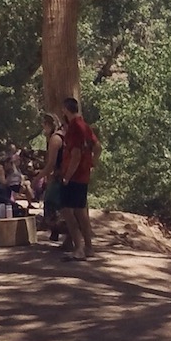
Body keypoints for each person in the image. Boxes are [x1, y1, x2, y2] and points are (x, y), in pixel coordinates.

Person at [56, 96, 99, 260]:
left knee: (68, 212)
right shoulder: (85, 126)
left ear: (66, 109)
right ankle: (89, 247)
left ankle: (79, 248)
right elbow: (98, 147)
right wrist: (91, 164)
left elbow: (75, 154)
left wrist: (67, 177)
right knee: (81, 213)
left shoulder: (74, 128)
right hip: (83, 176)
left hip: (73, 177)